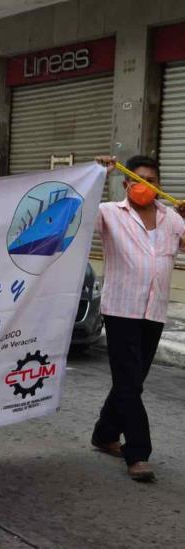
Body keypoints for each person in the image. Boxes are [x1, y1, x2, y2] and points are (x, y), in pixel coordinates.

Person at [92, 154, 185, 482]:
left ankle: (104, 434)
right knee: (130, 382)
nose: (144, 186)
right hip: (120, 310)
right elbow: (78, 217)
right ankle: (138, 453)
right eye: (138, 179)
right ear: (126, 183)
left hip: (154, 311)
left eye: (151, 180)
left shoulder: (173, 218)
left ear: (159, 186)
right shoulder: (108, 213)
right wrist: (96, 175)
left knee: (131, 381)